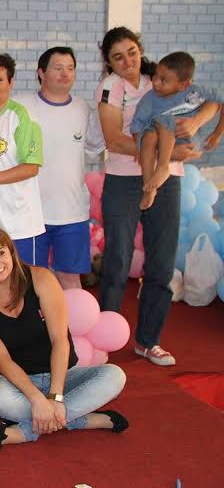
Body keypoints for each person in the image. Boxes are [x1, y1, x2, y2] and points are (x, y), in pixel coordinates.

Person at [95, 27, 219, 367]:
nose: (127, 61)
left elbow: (211, 100)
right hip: (123, 181)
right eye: (118, 57)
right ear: (109, 62)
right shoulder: (110, 87)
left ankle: (148, 342)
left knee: (162, 265)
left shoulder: (162, 78)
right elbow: (114, 140)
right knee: (117, 262)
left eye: (132, 52)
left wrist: (195, 122)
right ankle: (102, 341)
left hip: (167, 181)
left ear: (140, 50)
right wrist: (170, 152)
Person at [0, 222, 128, 449]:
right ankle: (79, 420)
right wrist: (37, 399)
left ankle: (27, 431)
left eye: (0, 253)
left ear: (11, 253)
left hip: (64, 376)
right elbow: (1, 358)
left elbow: (60, 340)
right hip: (19, 382)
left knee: (114, 375)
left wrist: (55, 397)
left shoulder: (41, 278)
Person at [18, 47, 101, 289]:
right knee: (30, 280)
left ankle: (72, 317)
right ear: (41, 73)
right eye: (58, 68)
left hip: (72, 213)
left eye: (70, 68)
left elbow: (95, 146)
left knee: (70, 279)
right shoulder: (21, 106)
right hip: (31, 213)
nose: (65, 74)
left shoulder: (83, 109)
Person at [0, 52, 45, 266]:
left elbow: (31, 167)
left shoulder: (21, 116)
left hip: (19, 225)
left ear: (10, 83)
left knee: (26, 282)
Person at [131, 51, 224, 210]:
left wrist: (217, 133)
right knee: (148, 136)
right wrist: (143, 147)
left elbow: (220, 101)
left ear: (183, 85)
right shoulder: (150, 99)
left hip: (187, 139)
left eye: (163, 80)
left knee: (164, 119)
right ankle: (149, 187)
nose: (156, 83)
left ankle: (163, 166)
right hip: (161, 140)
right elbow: (136, 128)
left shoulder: (195, 92)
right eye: (155, 76)